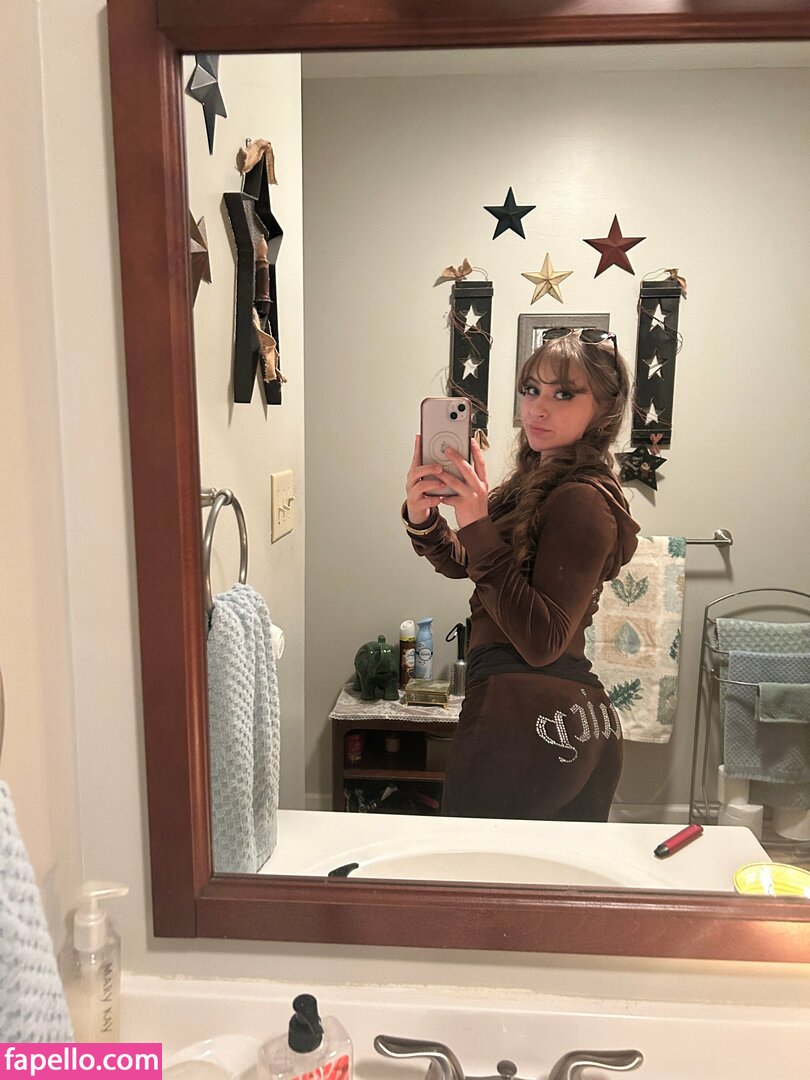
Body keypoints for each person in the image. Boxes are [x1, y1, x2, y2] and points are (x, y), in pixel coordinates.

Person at [402, 329, 640, 821]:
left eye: (563, 394)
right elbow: (475, 567)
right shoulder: (538, 484)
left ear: (604, 409)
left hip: (528, 716)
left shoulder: (581, 498)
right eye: (531, 389)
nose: (537, 408)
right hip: (561, 717)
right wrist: (425, 519)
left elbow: (541, 641)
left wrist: (476, 522)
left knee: (473, 867)